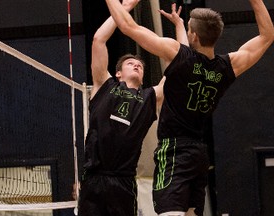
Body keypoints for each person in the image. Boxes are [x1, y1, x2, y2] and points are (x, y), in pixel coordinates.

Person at [104, 0, 274, 215]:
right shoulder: (227, 67)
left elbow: (128, 26)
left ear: (193, 35)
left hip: (174, 151)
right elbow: (267, 35)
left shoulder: (180, 56)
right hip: (198, 154)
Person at [77, 0, 186, 215]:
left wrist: (180, 26)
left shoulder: (150, 97)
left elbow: (183, 65)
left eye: (140, 66)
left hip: (123, 182)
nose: (136, 64)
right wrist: (123, 9)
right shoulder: (103, 84)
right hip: (94, 179)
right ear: (118, 73)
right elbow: (99, 39)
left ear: (144, 77)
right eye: (130, 63)